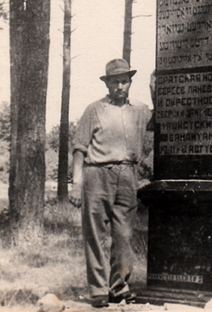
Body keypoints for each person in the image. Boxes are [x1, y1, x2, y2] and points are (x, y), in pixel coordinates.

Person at [70, 58, 152, 308]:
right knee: (95, 234)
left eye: (124, 81)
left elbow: (160, 121)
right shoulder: (94, 109)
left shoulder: (139, 110)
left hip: (128, 176)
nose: (120, 86)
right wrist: (76, 183)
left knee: (124, 236)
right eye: (115, 81)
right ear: (107, 84)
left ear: (130, 83)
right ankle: (98, 290)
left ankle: (118, 287)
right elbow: (79, 148)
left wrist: (155, 91)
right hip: (97, 174)